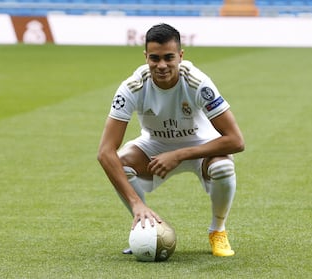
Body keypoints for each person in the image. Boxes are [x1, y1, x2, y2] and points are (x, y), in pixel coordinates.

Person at [97, 23, 245, 257]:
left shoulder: (197, 82)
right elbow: (105, 152)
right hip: (155, 145)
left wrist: (179, 154)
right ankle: (145, 226)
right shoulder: (132, 87)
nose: (162, 65)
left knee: (223, 166)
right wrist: (137, 202)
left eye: (169, 57)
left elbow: (236, 140)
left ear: (181, 56)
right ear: (146, 56)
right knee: (121, 162)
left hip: (199, 145)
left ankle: (218, 230)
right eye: (154, 58)